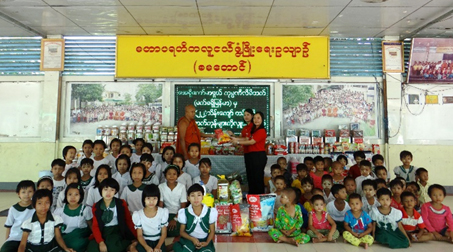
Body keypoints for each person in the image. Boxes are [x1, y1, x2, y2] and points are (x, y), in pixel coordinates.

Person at [87, 178, 137, 252]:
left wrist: (135, 236)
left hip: (116, 231)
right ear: (101, 190)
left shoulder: (121, 203)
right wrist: (101, 242)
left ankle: (128, 244)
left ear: (115, 191)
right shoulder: (96, 206)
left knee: (112, 248)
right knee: (93, 249)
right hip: (102, 231)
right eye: (106, 189)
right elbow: (95, 226)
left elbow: (128, 220)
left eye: (112, 190)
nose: (108, 192)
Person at [173, 184, 218, 252]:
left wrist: (207, 242)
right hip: (189, 240)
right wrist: (192, 239)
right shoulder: (184, 212)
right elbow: (182, 232)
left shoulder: (210, 212)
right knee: (184, 250)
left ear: (203, 197)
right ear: (188, 198)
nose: (196, 198)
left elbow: (212, 231)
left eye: (199, 195)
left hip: (204, 240)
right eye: (192, 195)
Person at [231, 111, 267, 194]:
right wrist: (235, 139)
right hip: (250, 156)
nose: (256, 120)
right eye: (254, 118)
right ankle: (252, 197)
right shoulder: (253, 130)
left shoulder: (261, 130)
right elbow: (246, 139)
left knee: (257, 178)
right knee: (251, 178)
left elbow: (251, 142)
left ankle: (258, 198)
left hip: (258, 156)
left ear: (262, 120)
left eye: (258, 118)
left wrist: (238, 142)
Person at [54, 183, 93, 252]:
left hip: (80, 236)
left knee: (78, 244)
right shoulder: (59, 211)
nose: (73, 197)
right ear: (66, 196)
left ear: (81, 196)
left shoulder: (85, 210)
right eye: (70, 194)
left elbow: (90, 224)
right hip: (64, 236)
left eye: (76, 194)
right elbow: (56, 230)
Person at [131, 184, 168, 252]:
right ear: (144, 199)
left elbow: (164, 233)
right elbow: (139, 235)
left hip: (158, 241)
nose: (151, 201)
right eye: (148, 198)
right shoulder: (138, 215)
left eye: (154, 198)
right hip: (145, 241)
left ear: (158, 199)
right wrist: (146, 247)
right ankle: (132, 246)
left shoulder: (162, 212)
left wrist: (158, 246)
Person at [1, 180, 35, 252]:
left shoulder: (36, 207)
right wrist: (7, 241)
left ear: (34, 192)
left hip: (31, 238)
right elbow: (8, 226)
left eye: (30, 192)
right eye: (23, 192)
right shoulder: (13, 209)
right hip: (15, 238)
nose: (26, 194)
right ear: (18, 194)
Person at [158, 165, 188, 237]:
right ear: (165, 176)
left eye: (174, 174)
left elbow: (183, 206)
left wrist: (175, 219)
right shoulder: (161, 187)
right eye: (169, 174)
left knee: (178, 229)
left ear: (177, 176)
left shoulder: (182, 187)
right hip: (166, 214)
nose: (171, 176)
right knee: (162, 229)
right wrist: (162, 219)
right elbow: (160, 205)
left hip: (178, 214)